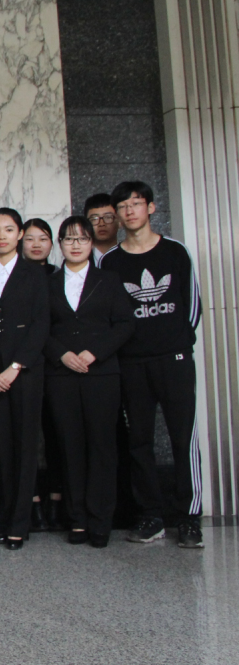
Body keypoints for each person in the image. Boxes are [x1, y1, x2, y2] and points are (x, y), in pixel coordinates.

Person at [99, 181, 204, 548]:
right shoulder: (110, 261)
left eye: (136, 203)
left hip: (174, 360)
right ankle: (151, 516)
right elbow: (109, 316)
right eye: (123, 207)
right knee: (139, 441)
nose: (130, 211)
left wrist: (178, 343)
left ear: (151, 208)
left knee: (183, 437)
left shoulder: (175, 251)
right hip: (132, 364)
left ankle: (189, 517)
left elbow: (192, 305)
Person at [44, 216, 135, 548]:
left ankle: (100, 520)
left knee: (101, 447)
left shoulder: (108, 280)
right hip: (61, 376)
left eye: (82, 239)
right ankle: (77, 519)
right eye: (69, 239)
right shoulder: (48, 284)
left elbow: (125, 324)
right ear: (60, 244)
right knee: (70, 447)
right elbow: (39, 329)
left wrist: (94, 352)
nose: (75, 245)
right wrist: (62, 354)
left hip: (101, 375)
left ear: (91, 243)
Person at [0, 209, 49, 550]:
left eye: (8, 230)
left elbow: (41, 324)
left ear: (19, 234)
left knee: (25, 447)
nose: (1, 236)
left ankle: (20, 523)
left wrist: (16, 366)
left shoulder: (35, 273)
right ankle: (4, 517)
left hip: (24, 372)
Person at [22, 218, 65, 531]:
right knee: (27, 439)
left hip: (60, 369)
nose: (36, 244)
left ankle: (57, 499)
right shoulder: (14, 277)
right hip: (25, 367)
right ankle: (33, 500)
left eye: (43, 238)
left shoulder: (61, 276)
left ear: (53, 243)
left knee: (57, 435)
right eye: (30, 238)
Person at [84, 193, 120, 262]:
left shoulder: (129, 256)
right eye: (94, 219)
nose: (101, 224)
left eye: (108, 217)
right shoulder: (79, 261)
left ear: (120, 221)